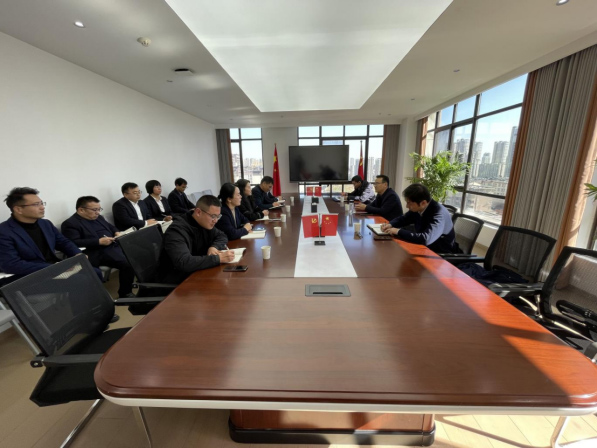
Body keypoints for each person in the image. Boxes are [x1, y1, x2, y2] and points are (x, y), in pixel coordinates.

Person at [0, 187, 84, 281]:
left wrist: (77, 253)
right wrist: (53, 267)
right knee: (82, 279)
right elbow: (11, 265)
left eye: (41, 203)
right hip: (31, 276)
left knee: (93, 272)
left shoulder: (45, 224)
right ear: (18, 209)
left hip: (56, 269)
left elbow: (63, 242)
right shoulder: (4, 231)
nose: (42, 207)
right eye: (36, 204)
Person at [61, 196, 136, 298]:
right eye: (94, 210)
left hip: (112, 246)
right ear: (81, 210)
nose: (97, 212)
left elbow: (111, 227)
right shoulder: (70, 223)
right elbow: (73, 242)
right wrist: (98, 242)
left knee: (137, 253)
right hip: (95, 252)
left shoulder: (99, 218)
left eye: (99, 209)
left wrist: (116, 232)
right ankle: (125, 293)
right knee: (127, 263)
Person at [158, 195, 235, 284]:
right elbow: (184, 262)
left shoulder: (204, 223)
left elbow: (222, 236)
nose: (216, 221)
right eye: (213, 216)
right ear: (198, 212)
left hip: (197, 273)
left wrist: (214, 247)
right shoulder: (176, 231)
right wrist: (218, 259)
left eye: (218, 216)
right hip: (178, 282)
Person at [381, 183, 461, 254]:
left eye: (409, 203)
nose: (407, 206)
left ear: (423, 203)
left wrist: (398, 231)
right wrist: (390, 224)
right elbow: (404, 218)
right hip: (424, 248)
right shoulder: (418, 208)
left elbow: (426, 239)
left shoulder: (438, 213)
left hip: (439, 254)